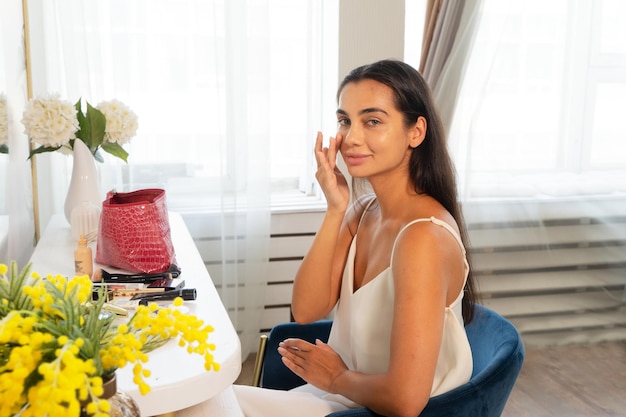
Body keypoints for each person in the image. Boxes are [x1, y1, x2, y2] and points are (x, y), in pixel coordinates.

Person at [180, 59, 478, 417]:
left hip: (367, 408)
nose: (351, 137)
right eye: (344, 120)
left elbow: (405, 400)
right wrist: (335, 208)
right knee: (198, 401)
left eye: (372, 121)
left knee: (199, 406)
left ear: (415, 132)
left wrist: (336, 377)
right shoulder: (364, 211)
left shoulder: (424, 238)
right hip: (337, 397)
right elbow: (306, 309)